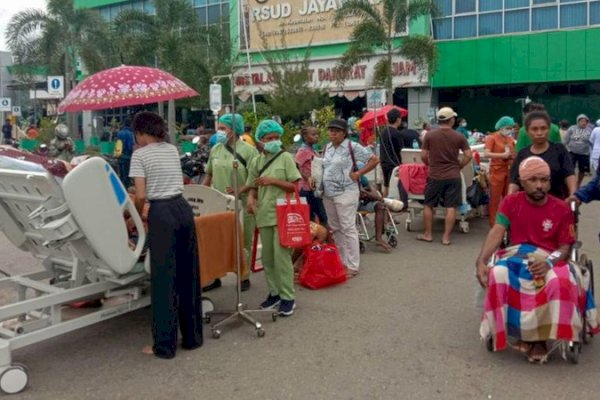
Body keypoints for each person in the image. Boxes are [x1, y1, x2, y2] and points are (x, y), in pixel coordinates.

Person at [476, 157, 589, 363]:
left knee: (559, 281)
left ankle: (540, 340)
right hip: (516, 254)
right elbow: (497, 231)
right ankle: (515, 332)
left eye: (544, 180)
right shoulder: (511, 202)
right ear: (521, 181)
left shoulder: (561, 209)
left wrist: (548, 264)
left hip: (552, 257)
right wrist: (481, 261)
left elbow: (565, 247)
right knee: (499, 274)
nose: (539, 185)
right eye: (533, 180)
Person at [129, 111, 203, 359]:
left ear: (139, 132)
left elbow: (140, 195)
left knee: (164, 281)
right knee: (188, 274)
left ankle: (164, 346)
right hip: (183, 210)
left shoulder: (139, 155)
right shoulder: (171, 149)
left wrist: (137, 215)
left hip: (161, 213)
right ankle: (193, 338)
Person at [246, 119, 301, 316]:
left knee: (282, 257)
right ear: (260, 140)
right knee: (267, 258)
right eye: (269, 138)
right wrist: (251, 198)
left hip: (283, 215)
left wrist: (273, 181)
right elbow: (252, 185)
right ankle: (274, 293)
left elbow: (294, 186)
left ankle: (288, 297)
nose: (273, 141)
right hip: (263, 214)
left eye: (276, 137)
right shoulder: (256, 161)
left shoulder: (285, 157)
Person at [204, 113, 258, 292]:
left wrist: (242, 190)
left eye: (223, 128)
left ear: (235, 130)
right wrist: (201, 194)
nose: (220, 131)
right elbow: (209, 173)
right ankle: (214, 277)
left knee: (243, 240)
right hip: (217, 204)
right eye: (219, 128)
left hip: (240, 203)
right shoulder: (216, 149)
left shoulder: (249, 151)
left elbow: (255, 178)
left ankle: (243, 276)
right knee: (215, 241)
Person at [322, 118, 379, 278]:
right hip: (328, 192)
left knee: (347, 227)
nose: (333, 133)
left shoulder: (352, 146)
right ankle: (342, 261)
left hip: (346, 191)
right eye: (331, 130)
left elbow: (374, 159)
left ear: (344, 132)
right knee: (335, 227)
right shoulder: (327, 148)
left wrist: (359, 173)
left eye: (337, 130)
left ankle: (353, 265)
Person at [417, 107, 472, 246]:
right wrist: (459, 166)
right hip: (453, 176)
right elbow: (468, 155)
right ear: (451, 120)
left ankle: (428, 234)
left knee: (429, 205)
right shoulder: (459, 136)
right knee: (451, 207)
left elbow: (423, 155)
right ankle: (446, 237)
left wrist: (429, 164)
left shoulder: (429, 135)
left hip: (435, 175)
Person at [509, 111, 576, 200]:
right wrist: (509, 200)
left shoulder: (559, 150)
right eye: (534, 129)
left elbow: (569, 174)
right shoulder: (522, 154)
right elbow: (514, 181)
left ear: (549, 129)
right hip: (529, 205)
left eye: (543, 128)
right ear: (527, 131)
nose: (539, 133)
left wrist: (573, 194)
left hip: (557, 203)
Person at [483, 116, 516, 227]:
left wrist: (512, 157)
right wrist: (501, 155)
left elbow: (513, 153)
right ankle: (494, 225)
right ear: (501, 127)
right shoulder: (492, 138)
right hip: (496, 171)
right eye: (508, 127)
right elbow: (486, 153)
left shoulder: (510, 139)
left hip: (509, 170)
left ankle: (507, 224)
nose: (510, 130)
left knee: (508, 199)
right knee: (495, 201)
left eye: (511, 128)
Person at [295, 126, 328, 225]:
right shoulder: (303, 151)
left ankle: (322, 237)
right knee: (312, 215)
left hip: (314, 188)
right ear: (305, 136)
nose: (316, 136)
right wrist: (307, 178)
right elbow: (296, 166)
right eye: (313, 134)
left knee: (320, 215)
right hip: (306, 189)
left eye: (317, 134)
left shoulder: (312, 150)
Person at [358, 169, 392, 252]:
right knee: (378, 200)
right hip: (352, 204)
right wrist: (367, 193)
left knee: (380, 206)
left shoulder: (363, 179)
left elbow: (374, 193)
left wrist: (367, 192)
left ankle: (379, 237)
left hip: (363, 202)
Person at [379, 108, 403, 198]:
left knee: (386, 185)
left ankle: (384, 204)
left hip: (384, 162)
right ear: (397, 119)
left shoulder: (383, 132)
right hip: (394, 164)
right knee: (395, 186)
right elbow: (401, 151)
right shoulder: (397, 134)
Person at [563, 114, 592, 187]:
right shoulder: (572, 128)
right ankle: (571, 183)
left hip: (584, 154)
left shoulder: (589, 130)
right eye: (582, 121)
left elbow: (592, 142)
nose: (583, 123)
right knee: (570, 169)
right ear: (578, 122)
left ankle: (578, 183)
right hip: (572, 152)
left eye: (585, 121)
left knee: (582, 170)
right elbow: (565, 140)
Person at [115, 118, 135, 187]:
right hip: (127, 157)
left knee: (121, 175)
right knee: (127, 176)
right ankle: (126, 190)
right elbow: (130, 147)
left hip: (120, 156)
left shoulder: (119, 133)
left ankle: (120, 188)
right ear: (130, 124)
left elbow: (117, 144)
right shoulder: (130, 134)